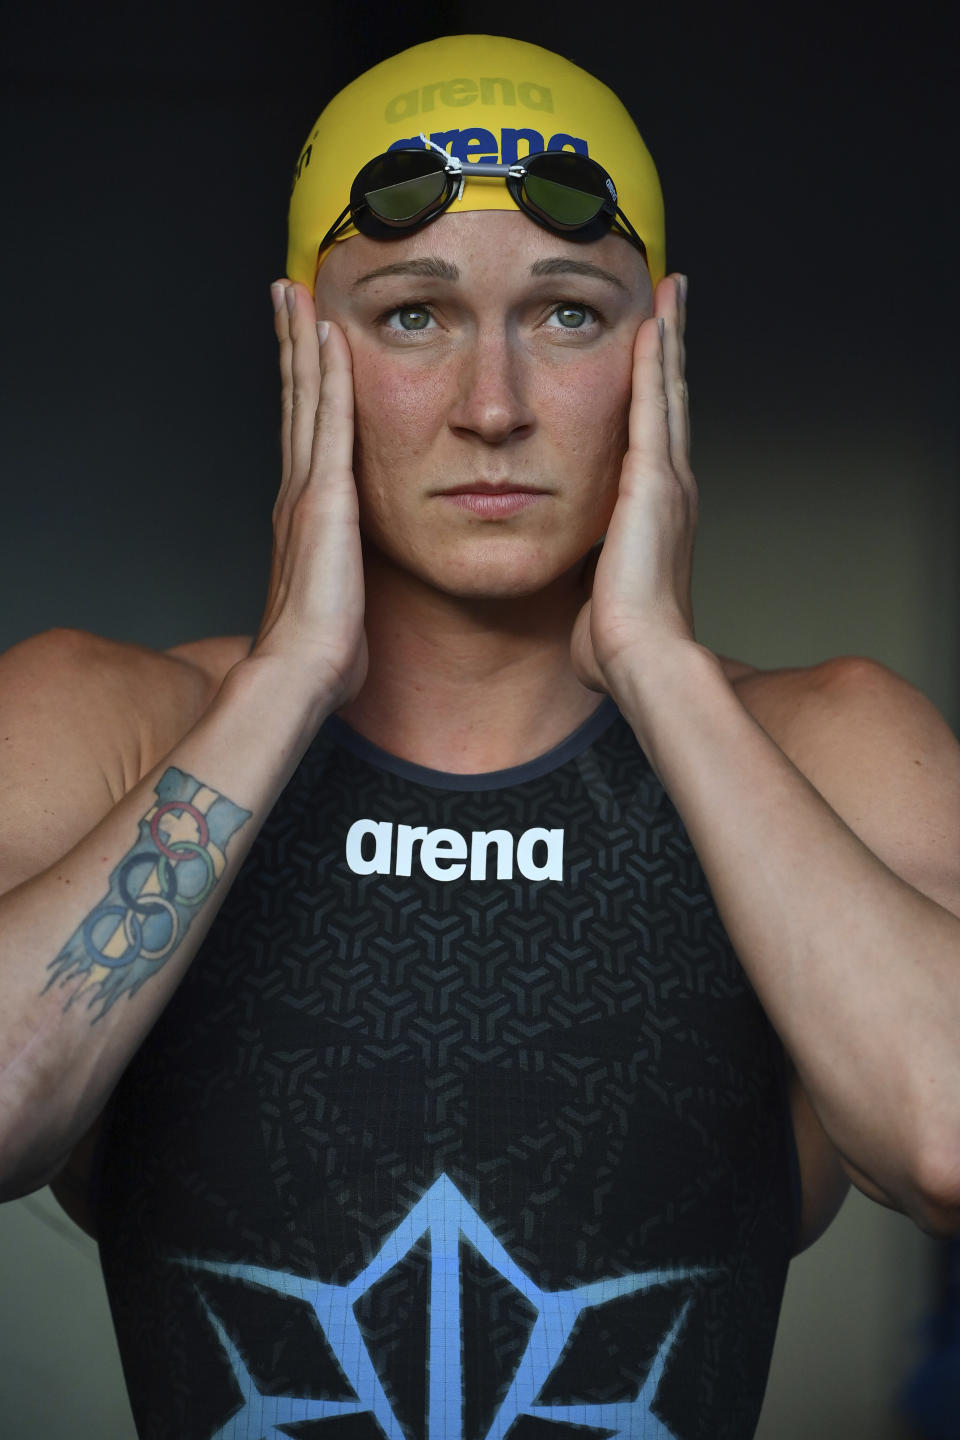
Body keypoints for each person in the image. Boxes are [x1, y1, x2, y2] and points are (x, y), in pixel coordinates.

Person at [0, 31, 958, 1440]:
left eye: (569, 313)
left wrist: (656, 665)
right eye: (411, 315)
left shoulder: (825, 748)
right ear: (302, 347)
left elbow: (947, 1138)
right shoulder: (110, 721)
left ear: (658, 348)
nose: (492, 405)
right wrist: (292, 676)